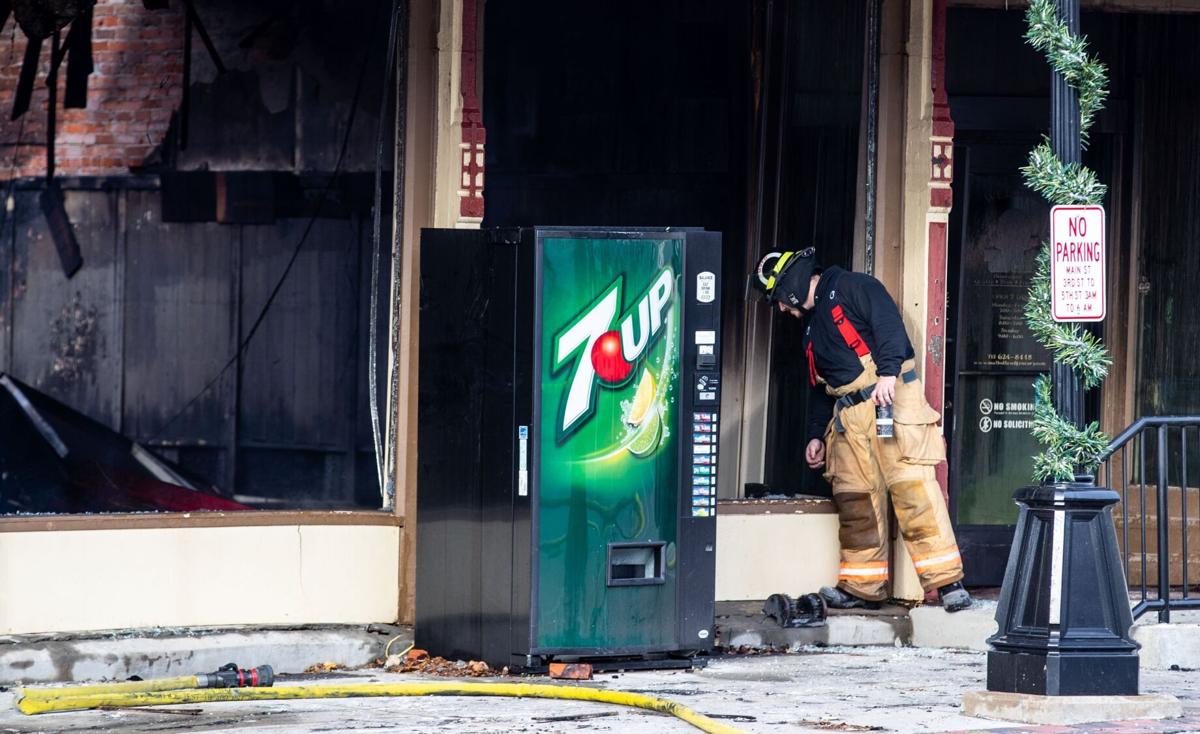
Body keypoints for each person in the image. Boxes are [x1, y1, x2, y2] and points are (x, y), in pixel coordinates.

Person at [751, 248, 971, 612]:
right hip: (849, 419)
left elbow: (888, 326)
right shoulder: (810, 327)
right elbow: (822, 388)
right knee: (856, 504)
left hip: (889, 401)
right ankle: (861, 586)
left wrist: (887, 373)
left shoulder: (853, 286)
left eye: (779, 301)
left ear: (789, 287)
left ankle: (948, 583)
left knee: (913, 491)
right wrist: (814, 435)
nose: (781, 310)